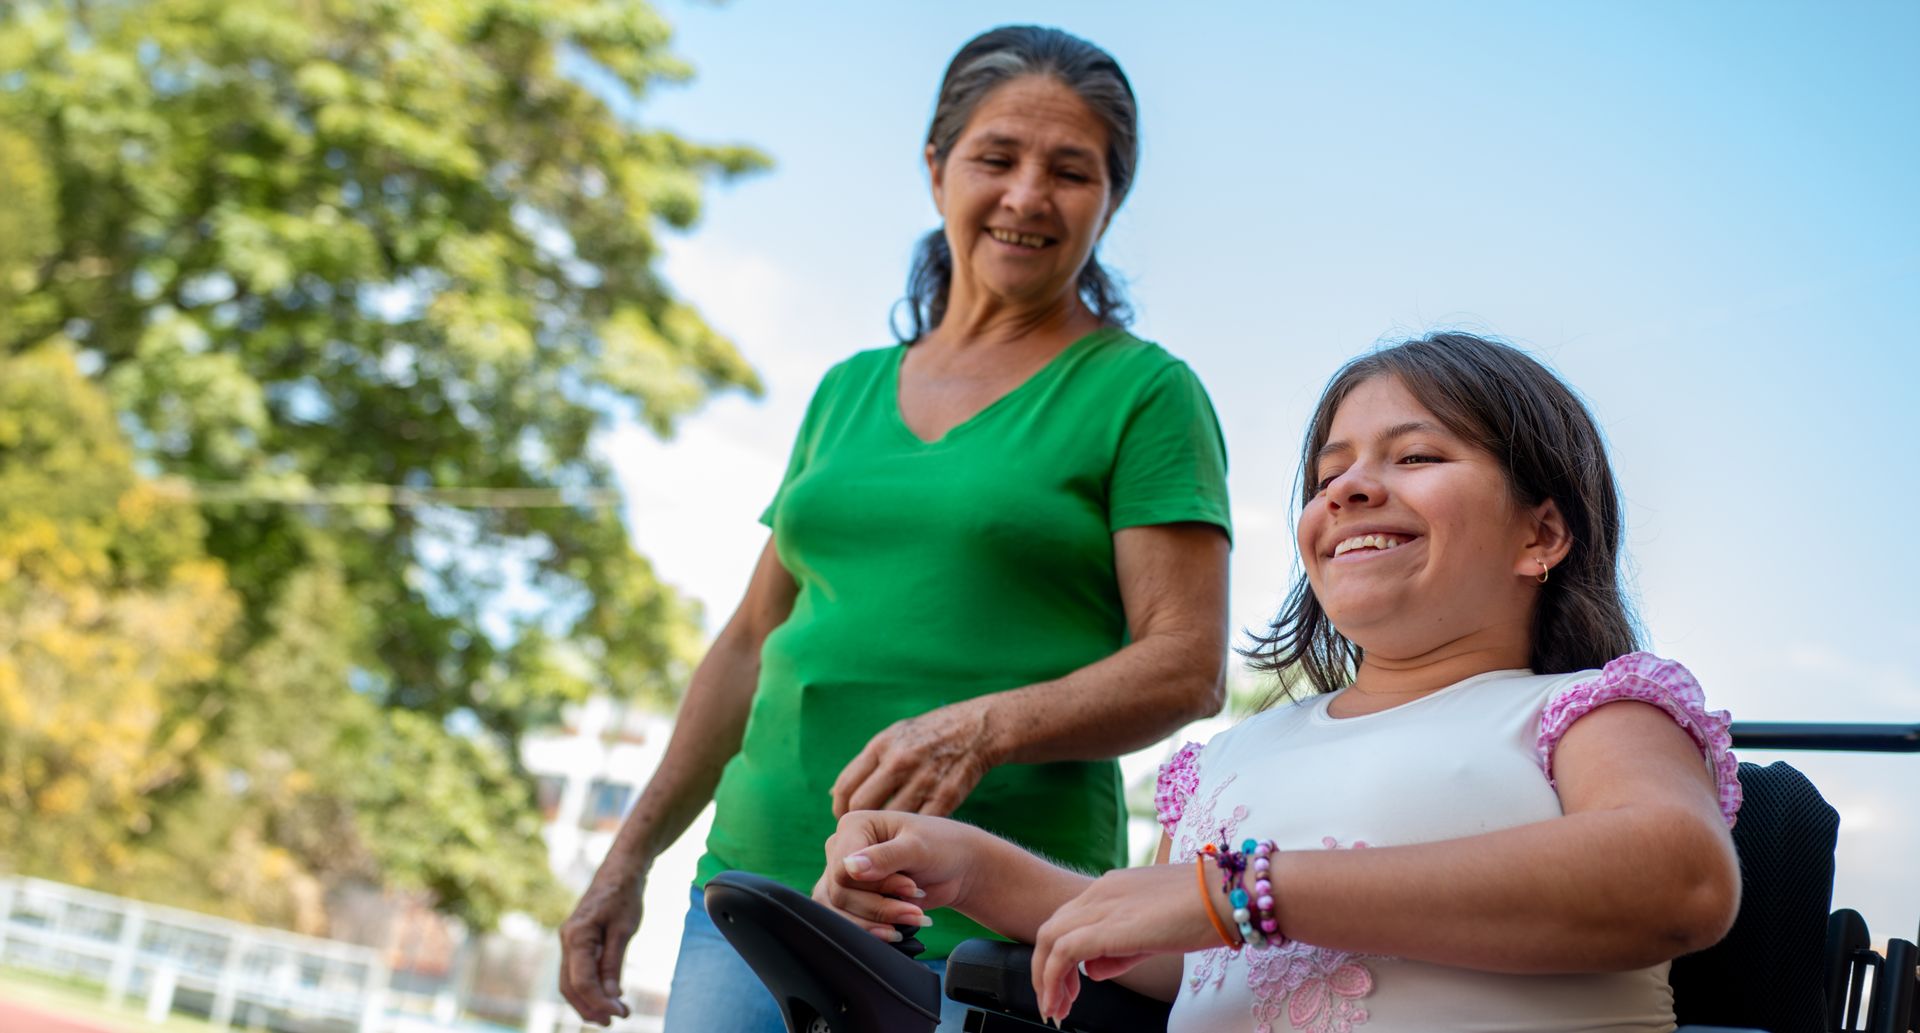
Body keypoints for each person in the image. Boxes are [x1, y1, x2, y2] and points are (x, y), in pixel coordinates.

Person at [558, 25, 1234, 1032]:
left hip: (991, 923)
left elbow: (1186, 664)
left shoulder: (1144, 393)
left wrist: (982, 729)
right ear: (937, 168)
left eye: (1071, 170)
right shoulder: (846, 392)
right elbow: (749, 644)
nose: (1027, 196)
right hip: (753, 883)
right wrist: (628, 858)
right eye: (996, 158)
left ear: (1110, 198)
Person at [817, 333, 1743, 1032]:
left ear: (1542, 534)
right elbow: (1173, 951)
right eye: (1329, 471)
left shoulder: (1591, 708)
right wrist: (966, 861)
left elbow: (1681, 879)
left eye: (1415, 456)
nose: (1348, 489)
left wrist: (1242, 893)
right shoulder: (1237, 753)